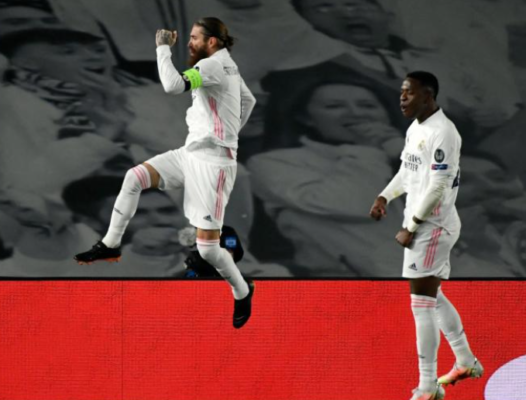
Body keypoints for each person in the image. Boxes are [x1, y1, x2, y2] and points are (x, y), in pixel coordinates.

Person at [74, 18, 257, 329]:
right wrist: (228, 130)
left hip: (211, 165)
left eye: (195, 38)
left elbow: (172, 85)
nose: (190, 42)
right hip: (190, 154)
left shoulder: (211, 67)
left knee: (209, 249)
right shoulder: (228, 67)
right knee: (135, 177)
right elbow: (248, 100)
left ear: (212, 42)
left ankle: (241, 291)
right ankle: (110, 244)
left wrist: (162, 49)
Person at [369, 71, 483, 399]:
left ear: (428, 96)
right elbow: (408, 172)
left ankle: (428, 386)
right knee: (432, 296)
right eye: (401, 92)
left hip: (432, 227)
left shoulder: (444, 132)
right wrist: (384, 196)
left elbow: (439, 186)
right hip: (424, 224)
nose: (402, 98)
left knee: (421, 304)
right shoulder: (416, 128)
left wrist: (412, 226)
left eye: (409, 93)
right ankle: (465, 361)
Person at [248, 62, 405, 275]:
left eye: (368, 106)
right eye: (334, 106)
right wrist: (366, 151)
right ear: (305, 118)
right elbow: (354, 205)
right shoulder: (273, 163)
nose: (356, 113)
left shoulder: (406, 155)